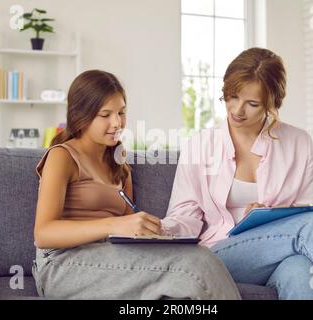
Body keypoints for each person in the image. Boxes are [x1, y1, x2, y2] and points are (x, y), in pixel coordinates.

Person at [161, 48, 313, 300]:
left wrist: (268, 215)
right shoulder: (200, 145)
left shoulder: (298, 141)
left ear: (271, 104)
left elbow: (312, 208)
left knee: (301, 273)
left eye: (252, 103)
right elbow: (185, 216)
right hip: (220, 256)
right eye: (232, 97)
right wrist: (161, 230)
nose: (237, 110)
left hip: (280, 255)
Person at [31, 70, 241, 300]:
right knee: (196, 265)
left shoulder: (119, 163)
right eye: (105, 114)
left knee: (195, 259)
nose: (117, 122)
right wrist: (115, 225)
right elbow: (44, 233)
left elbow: (126, 231)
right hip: (62, 263)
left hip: (107, 256)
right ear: (81, 115)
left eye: (121, 112)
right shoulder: (62, 156)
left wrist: (150, 233)